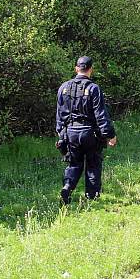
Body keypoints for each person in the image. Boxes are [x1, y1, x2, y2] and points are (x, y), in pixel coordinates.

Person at [55, 56, 117, 204]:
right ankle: (92, 198)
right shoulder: (94, 88)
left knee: (74, 164)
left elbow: (59, 114)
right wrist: (110, 135)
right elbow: (100, 115)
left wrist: (61, 135)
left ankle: (67, 187)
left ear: (76, 69)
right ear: (91, 69)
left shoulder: (63, 88)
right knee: (93, 164)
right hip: (90, 133)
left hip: (70, 133)